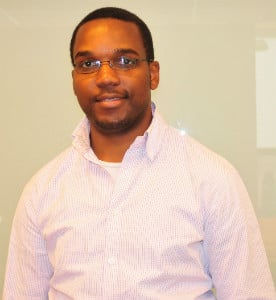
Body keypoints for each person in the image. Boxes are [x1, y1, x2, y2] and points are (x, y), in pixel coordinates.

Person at [3, 7, 276, 300]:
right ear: (74, 79)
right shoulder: (42, 191)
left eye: (124, 61)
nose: (105, 76)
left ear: (153, 74)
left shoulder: (213, 179)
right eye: (89, 63)